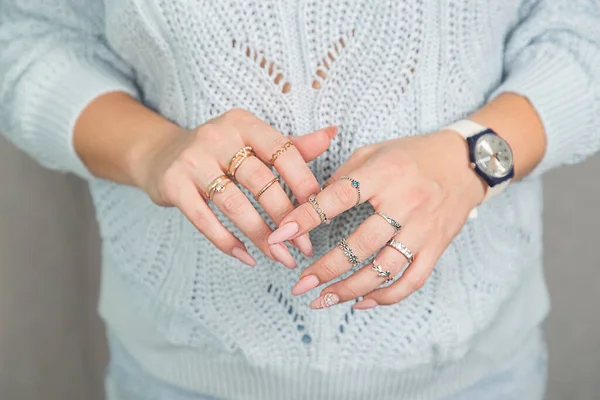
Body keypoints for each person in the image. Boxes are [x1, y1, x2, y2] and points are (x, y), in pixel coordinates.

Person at [1, 1, 599, 399]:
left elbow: (583, 33)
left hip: (475, 372)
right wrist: (152, 151)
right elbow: (28, 38)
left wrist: (472, 156)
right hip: (183, 373)